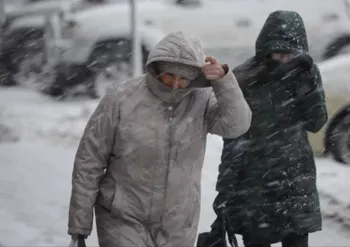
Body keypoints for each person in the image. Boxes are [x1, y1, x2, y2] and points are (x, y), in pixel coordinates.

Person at [67, 31, 252, 247]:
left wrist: (223, 82)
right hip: (122, 217)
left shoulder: (201, 100)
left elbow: (237, 125)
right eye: (169, 75)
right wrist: (79, 228)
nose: (175, 84)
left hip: (178, 223)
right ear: (156, 68)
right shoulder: (120, 99)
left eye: (183, 78)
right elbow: (89, 162)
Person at [197, 10, 328, 247]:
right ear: (265, 47)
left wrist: (307, 86)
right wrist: (224, 192)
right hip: (254, 185)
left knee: (296, 240)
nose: (283, 59)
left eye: (289, 53)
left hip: (295, 182)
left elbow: (316, 122)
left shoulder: (305, 73)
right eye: (278, 52)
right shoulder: (246, 77)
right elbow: (235, 137)